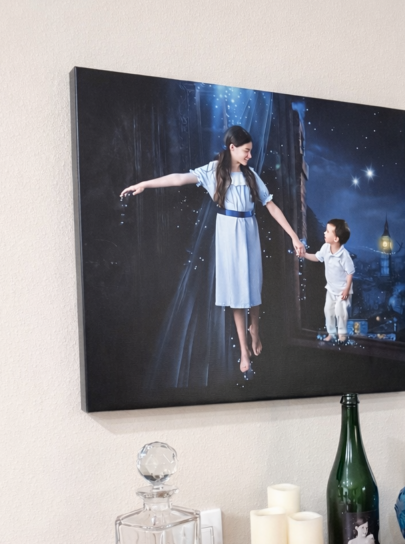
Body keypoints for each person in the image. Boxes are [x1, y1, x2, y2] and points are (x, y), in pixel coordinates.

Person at [120, 125, 305, 374]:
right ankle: (243, 348)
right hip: (228, 231)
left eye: (251, 151)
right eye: (246, 151)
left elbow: (270, 206)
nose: (250, 155)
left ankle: (255, 329)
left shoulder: (251, 176)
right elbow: (177, 179)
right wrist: (144, 183)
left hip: (249, 229)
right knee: (236, 290)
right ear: (232, 148)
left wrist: (294, 236)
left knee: (253, 282)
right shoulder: (213, 171)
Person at [301, 219, 354, 343]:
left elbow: (350, 273)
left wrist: (346, 289)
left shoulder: (344, 255)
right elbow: (317, 257)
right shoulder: (325, 247)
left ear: (336, 238)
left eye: (328, 231)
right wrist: (305, 255)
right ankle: (331, 333)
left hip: (342, 291)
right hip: (330, 289)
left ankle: (342, 335)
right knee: (328, 311)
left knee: (340, 312)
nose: (324, 233)